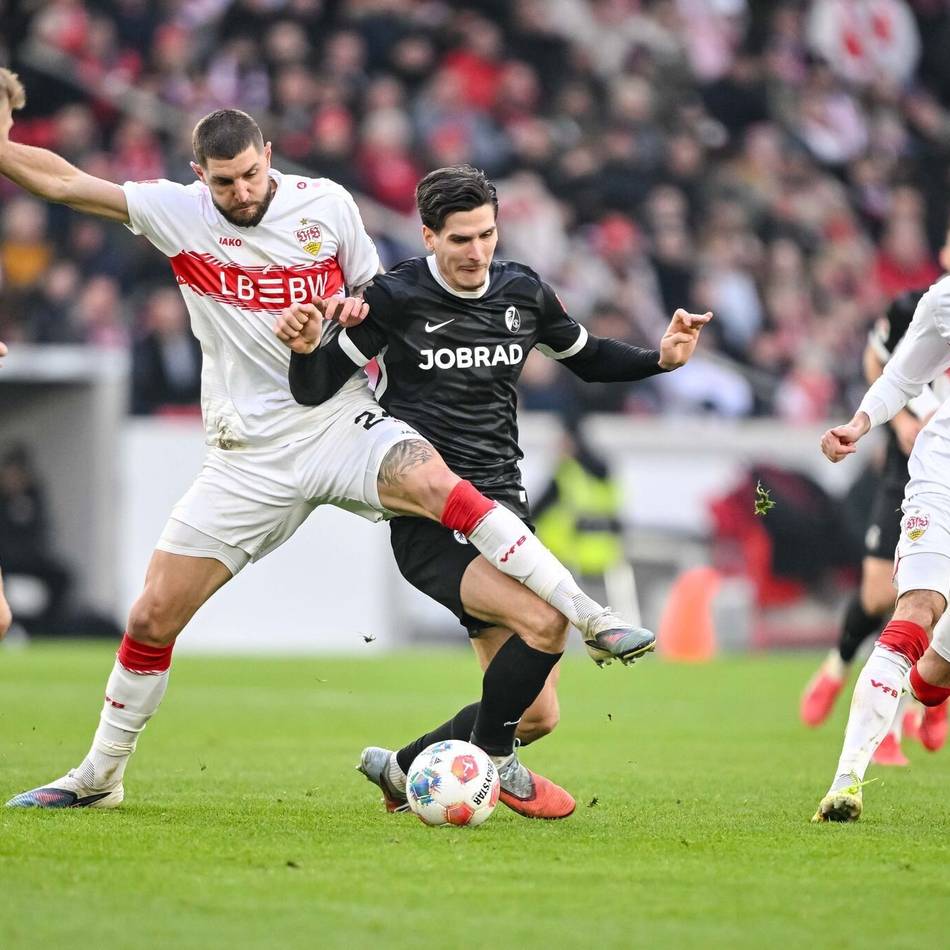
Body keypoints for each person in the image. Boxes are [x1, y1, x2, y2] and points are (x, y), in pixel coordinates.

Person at [0, 71, 644, 810]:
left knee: (440, 486)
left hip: (341, 418)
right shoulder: (178, 215)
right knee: (151, 615)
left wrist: (338, 330)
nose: (242, 193)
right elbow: (69, 184)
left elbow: (381, 306)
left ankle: (591, 617)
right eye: (224, 182)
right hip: (249, 453)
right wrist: (3, 142)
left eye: (251, 174)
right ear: (196, 176)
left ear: (269, 156)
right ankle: (99, 777)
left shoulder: (327, 205)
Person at [274, 164, 711, 816]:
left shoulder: (522, 292)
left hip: (506, 511)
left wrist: (660, 360)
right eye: (460, 240)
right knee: (545, 620)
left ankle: (401, 769)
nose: (477, 252)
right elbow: (313, 388)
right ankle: (495, 760)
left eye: (486, 235)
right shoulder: (395, 299)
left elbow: (585, 356)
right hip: (431, 517)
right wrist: (308, 348)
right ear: (428, 237)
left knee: (534, 715)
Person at [813, 272, 950, 822]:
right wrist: (860, 422)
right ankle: (846, 782)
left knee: (935, 675)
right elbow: (903, 375)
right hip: (942, 475)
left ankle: (927, 684)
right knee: (915, 610)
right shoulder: (941, 300)